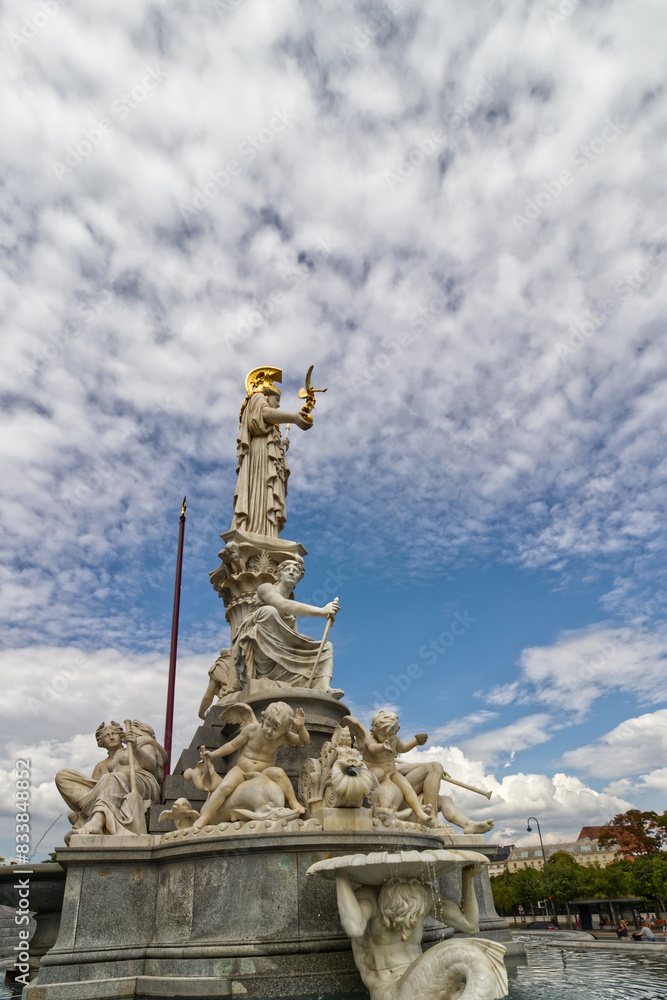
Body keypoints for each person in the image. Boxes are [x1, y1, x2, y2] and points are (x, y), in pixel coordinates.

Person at [333, 859, 507, 1000]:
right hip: (388, 991)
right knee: (462, 955)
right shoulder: (369, 897)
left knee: (471, 969)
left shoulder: (423, 894)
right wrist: (341, 876)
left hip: (425, 981)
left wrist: (467, 878)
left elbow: (470, 925)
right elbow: (354, 928)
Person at [191, 702, 309, 831]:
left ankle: (293, 802)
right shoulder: (251, 730)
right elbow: (232, 745)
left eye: (275, 729)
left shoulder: (284, 737)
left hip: (264, 771)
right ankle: (205, 817)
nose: (269, 731)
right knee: (225, 786)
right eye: (268, 725)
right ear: (263, 720)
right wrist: (213, 754)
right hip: (241, 770)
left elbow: (304, 741)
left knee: (279, 773)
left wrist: (300, 728)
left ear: (285, 731)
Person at [235, 557, 343, 697]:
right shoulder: (266, 588)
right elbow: (283, 604)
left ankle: (323, 686)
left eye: (295, 571)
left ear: (299, 579)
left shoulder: (293, 613)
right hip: (258, 644)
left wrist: (305, 650)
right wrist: (322, 611)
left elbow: (293, 639)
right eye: (288, 570)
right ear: (279, 574)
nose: (292, 572)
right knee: (269, 611)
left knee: (326, 647)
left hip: (281, 648)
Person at [232, 367, 312, 537]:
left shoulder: (273, 427)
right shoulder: (257, 397)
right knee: (260, 492)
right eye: (277, 399)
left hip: (265, 456)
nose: (279, 404)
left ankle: (267, 533)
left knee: (267, 494)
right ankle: (255, 530)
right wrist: (293, 418)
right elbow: (263, 414)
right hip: (259, 455)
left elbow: (274, 451)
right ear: (267, 395)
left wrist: (282, 448)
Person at [56, 721, 167, 841]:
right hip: (110, 787)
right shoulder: (108, 761)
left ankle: (97, 821)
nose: (112, 737)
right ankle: (90, 811)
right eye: (107, 735)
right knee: (62, 776)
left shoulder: (144, 746)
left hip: (140, 783)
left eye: (114, 733)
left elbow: (151, 765)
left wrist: (135, 747)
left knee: (110, 777)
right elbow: (97, 785)